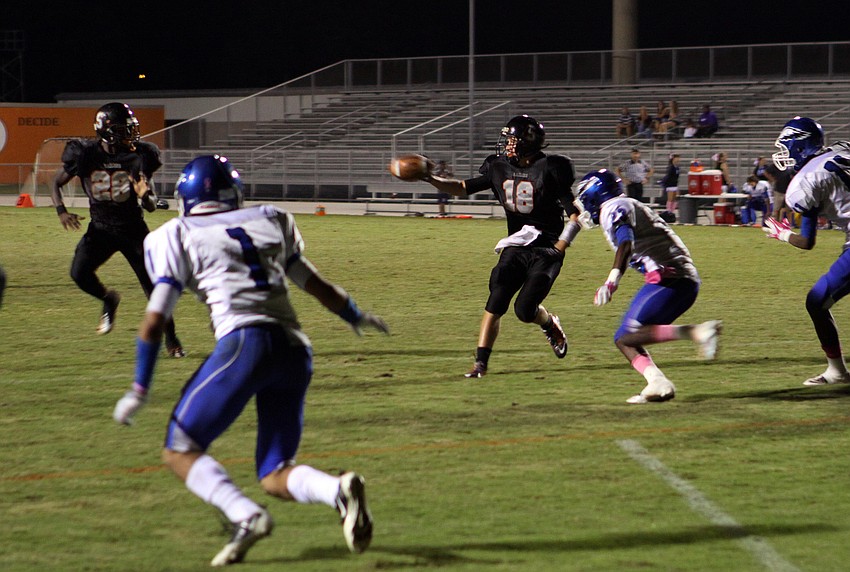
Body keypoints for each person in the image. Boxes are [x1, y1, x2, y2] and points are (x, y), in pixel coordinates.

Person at [112, 155, 387, 565]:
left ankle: (246, 515)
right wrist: (355, 316)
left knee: (179, 449)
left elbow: (154, 323)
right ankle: (338, 490)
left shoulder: (176, 233)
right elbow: (317, 285)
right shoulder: (268, 219)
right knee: (275, 473)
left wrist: (139, 388)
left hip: (244, 344)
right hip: (295, 349)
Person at [416, 114, 578, 378]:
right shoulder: (498, 166)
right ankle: (480, 363)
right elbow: (461, 187)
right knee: (497, 297)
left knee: (525, 311)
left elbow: (576, 216)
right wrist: (431, 179)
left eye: (512, 140)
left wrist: (560, 247)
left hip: (546, 248)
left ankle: (549, 323)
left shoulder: (551, 168)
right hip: (516, 245)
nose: (507, 145)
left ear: (528, 142)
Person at [575, 169, 722, 404]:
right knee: (625, 338)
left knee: (627, 336)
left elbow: (626, 243)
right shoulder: (624, 204)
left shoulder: (613, 208)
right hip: (677, 278)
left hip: (670, 278)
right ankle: (658, 382)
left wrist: (611, 281)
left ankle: (697, 333)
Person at [51, 102, 184, 357]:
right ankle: (108, 299)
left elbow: (152, 205)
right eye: (125, 129)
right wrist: (62, 211)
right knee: (79, 273)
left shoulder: (139, 155)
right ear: (106, 130)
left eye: (131, 128)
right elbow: (55, 183)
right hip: (100, 229)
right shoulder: (86, 153)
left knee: (154, 288)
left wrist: (145, 197)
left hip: (133, 229)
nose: (131, 134)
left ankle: (172, 340)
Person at [763, 116, 850, 386]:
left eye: (786, 146)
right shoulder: (843, 148)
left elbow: (807, 241)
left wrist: (782, 233)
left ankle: (836, 371)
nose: (783, 154)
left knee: (816, 301)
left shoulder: (805, 180)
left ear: (800, 146)